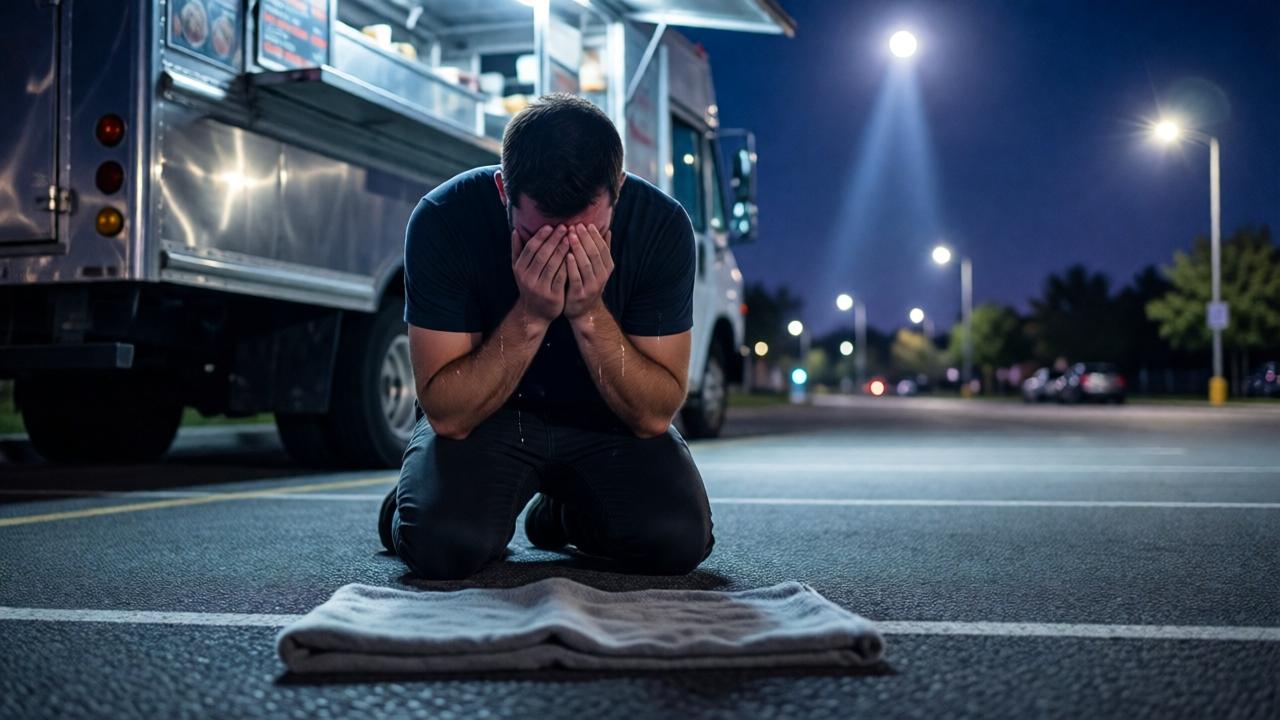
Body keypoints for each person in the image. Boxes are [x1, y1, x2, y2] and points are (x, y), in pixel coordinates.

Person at [378, 94, 715, 580]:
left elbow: (656, 412)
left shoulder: (661, 226)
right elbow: (448, 414)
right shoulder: (444, 217)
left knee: (676, 541)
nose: (565, 253)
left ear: (617, 188)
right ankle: (414, 502)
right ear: (503, 191)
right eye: (541, 236)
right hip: (488, 417)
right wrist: (532, 315)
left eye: (588, 235)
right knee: (443, 544)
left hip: (609, 422)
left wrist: (588, 312)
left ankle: (565, 514)